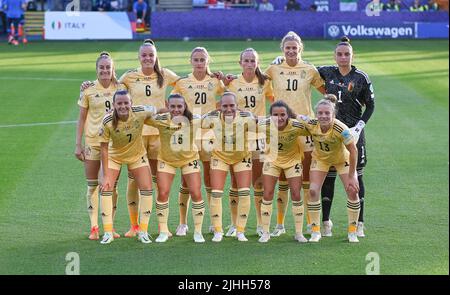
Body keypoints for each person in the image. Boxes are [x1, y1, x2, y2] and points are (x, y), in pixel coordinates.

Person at [265, 31, 325, 237]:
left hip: (304, 129)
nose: (291, 51)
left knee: (306, 179)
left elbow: (326, 91)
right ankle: (280, 225)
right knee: (281, 178)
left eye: (294, 47)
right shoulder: (273, 68)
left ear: (300, 48)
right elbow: (254, 82)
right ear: (283, 50)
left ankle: (310, 223)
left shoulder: (309, 69)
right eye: (287, 48)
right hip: (279, 128)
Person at [118, 39, 180, 237]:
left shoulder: (165, 74)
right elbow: (113, 89)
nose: (147, 58)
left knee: (159, 179)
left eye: (151, 55)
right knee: (134, 180)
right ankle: (134, 226)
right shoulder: (129, 76)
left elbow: (186, 85)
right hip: (135, 136)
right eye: (144, 55)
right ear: (139, 57)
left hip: (158, 135)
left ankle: (163, 226)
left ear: (156, 57)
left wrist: (169, 107)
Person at [317, 36, 375, 238]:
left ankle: (359, 223)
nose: (343, 57)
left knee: (356, 176)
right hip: (331, 133)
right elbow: (304, 70)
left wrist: (359, 127)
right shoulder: (327, 72)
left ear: (352, 55)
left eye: (347, 54)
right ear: (335, 56)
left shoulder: (361, 77)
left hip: (352, 133)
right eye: (340, 54)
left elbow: (371, 106)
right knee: (329, 177)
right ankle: (325, 222)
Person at [171, 47, 225, 237]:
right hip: (189, 135)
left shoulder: (215, 81)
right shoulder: (183, 83)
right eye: (196, 59)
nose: (199, 63)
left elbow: (228, 99)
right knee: (187, 180)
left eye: (202, 59)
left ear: (208, 61)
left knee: (210, 179)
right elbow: (173, 104)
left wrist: (214, 107)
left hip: (210, 136)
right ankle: (182, 223)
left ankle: (213, 220)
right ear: (191, 61)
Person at [223, 48, 274, 237]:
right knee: (236, 182)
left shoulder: (265, 82)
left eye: (253, 61)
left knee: (258, 182)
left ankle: (261, 223)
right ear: (240, 63)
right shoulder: (233, 82)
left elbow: (275, 102)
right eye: (246, 60)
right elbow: (223, 104)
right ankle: (235, 224)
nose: (250, 64)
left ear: (257, 63)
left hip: (258, 136)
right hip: (236, 136)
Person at [98, 90, 159, 244]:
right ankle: (107, 232)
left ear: (131, 103)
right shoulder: (107, 121)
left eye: (126, 102)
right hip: (114, 156)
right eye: (119, 103)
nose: (123, 106)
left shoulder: (140, 112)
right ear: (113, 105)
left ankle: (143, 231)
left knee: (147, 188)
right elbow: (104, 148)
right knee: (106, 188)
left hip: (137, 155)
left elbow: (156, 110)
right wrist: (105, 175)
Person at [75, 52, 124, 241]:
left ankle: (109, 226)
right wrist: (78, 144)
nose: (104, 70)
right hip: (93, 143)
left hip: (114, 145)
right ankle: (94, 227)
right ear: (96, 70)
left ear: (113, 70)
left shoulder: (121, 88)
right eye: (101, 67)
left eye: (108, 67)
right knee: (92, 186)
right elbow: (81, 118)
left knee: (112, 186)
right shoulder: (88, 90)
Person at [299, 94, 360, 243]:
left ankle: (352, 231)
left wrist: (352, 175)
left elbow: (353, 151)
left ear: (333, 114)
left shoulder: (341, 129)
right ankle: (315, 231)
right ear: (316, 114)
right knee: (313, 190)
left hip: (341, 160)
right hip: (320, 159)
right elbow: (297, 117)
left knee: (352, 190)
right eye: (320, 113)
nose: (323, 116)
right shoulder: (312, 123)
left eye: (327, 113)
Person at [146, 94, 206, 243]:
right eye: (172, 106)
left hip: (189, 159)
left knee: (196, 192)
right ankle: (164, 231)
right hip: (167, 160)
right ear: (168, 106)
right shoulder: (160, 120)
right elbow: (141, 117)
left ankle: (198, 231)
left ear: (185, 106)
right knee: (163, 192)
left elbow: (213, 119)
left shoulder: (195, 119)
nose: (176, 109)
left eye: (179, 106)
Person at [202, 92, 255, 242]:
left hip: (242, 157)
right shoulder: (212, 118)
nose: (228, 109)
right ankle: (218, 231)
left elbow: (263, 124)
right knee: (216, 193)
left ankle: (240, 231)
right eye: (225, 106)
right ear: (220, 107)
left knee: (244, 192)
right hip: (220, 157)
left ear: (237, 106)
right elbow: (194, 122)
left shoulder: (246, 118)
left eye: (232, 105)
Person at [258, 101, 308, 243]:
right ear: (270, 115)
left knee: (296, 194)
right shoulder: (264, 125)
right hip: (272, 160)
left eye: (282, 115)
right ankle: (266, 232)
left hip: (292, 161)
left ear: (288, 115)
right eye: (275, 115)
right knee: (267, 193)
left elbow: (314, 129)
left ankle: (299, 233)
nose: (279, 118)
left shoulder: (296, 126)